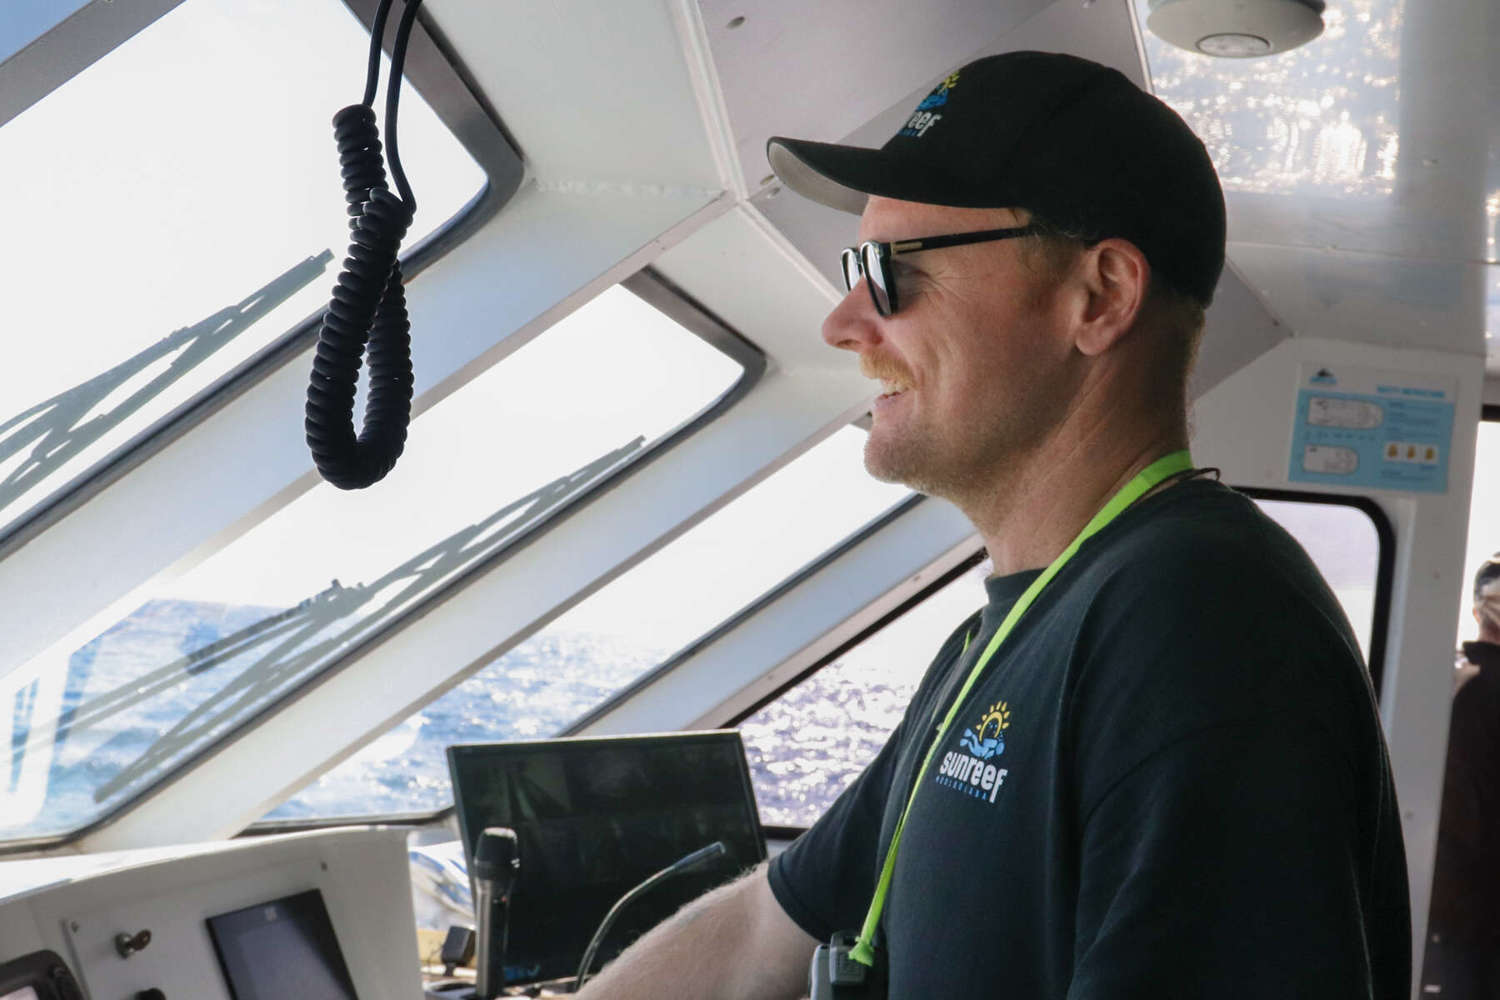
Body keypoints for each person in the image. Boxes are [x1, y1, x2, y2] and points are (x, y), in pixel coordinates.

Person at [575, 50, 1410, 999]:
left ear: (1098, 298)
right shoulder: (1008, 634)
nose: (845, 320)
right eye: (856, 266)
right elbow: (758, 933)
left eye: (891, 272)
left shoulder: (1200, 623)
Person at [1423, 554, 1500, 997]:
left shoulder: (1449, 686)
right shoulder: (1469, 691)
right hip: (1471, 923)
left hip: (1449, 917)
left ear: (1476, 613)